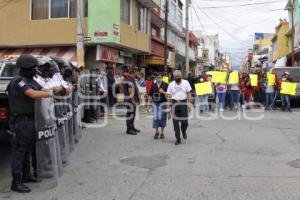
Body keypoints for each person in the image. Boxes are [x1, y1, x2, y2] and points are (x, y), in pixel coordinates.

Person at [7, 55, 53, 193]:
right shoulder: (18, 81)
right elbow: (32, 94)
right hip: (21, 121)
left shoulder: (30, 79)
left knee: (27, 150)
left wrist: (52, 89)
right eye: (33, 68)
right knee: (19, 152)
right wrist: (49, 94)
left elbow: (43, 88)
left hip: (31, 119)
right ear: (26, 68)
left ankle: (26, 176)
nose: (36, 70)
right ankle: (16, 182)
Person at [167, 70, 192, 145]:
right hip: (174, 103)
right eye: (175, 76)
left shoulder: (185, 82)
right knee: (175, 123)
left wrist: (189, 104)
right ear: (173, 77)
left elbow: (189, 93)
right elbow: (168, 96)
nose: (177, 77)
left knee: (185, 122)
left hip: (183, 103)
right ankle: (178, 139)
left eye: (178, 76)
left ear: (181, 76)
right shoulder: (171, 84)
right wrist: (168, 107)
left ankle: (183, 131)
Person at [147, 74, 169, 139]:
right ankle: (156, 131)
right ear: (155, 78)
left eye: (160, 77)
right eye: (157, 77)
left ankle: (162, 133)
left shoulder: (165, 84)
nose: (158, 79)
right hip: (155, 103)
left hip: (163, 103)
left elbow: (169, 95)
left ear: (162, 78)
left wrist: (164, 92)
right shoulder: (153, 85)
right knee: (155, 118)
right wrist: (148, 105)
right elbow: (150, 95)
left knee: (163, 118)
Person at [124, 68, 140, 135]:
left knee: (133, 114)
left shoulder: (132, 79)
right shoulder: (129, 79)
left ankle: (132, 127)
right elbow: (130, 92)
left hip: (132, 100)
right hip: (130, 100)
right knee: (130, 114)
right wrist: (133, 101)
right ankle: (129, 129)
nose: (138, 73)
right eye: (137, 72)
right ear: (134, 72)